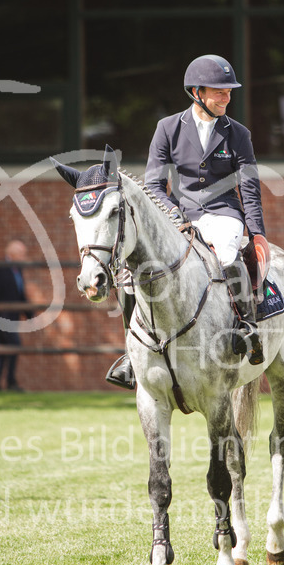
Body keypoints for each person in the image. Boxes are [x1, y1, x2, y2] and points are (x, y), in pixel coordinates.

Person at [104, 54, 267, 389]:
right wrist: (174, 215)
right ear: (197, 92)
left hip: (224, 214)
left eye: (229, 91)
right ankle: (131, 355)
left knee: (224, 252)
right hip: (180, 216)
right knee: (134, 271)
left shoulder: (238, 134)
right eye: (219, 91)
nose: (227, 97)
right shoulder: (168, 128)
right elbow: (153, 184)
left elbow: (250, 188)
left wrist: (258, 232)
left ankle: (245, 327)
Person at [0, 239, 31, 391]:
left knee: (3, 351)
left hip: (14, 318)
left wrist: (30, 314)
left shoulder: (17, 271)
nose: (24, 257)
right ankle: (11, 382)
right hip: (3, 318)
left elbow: (20, 295)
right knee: (14, 346)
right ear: (12, 254)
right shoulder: (0, 269)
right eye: (22, 254)